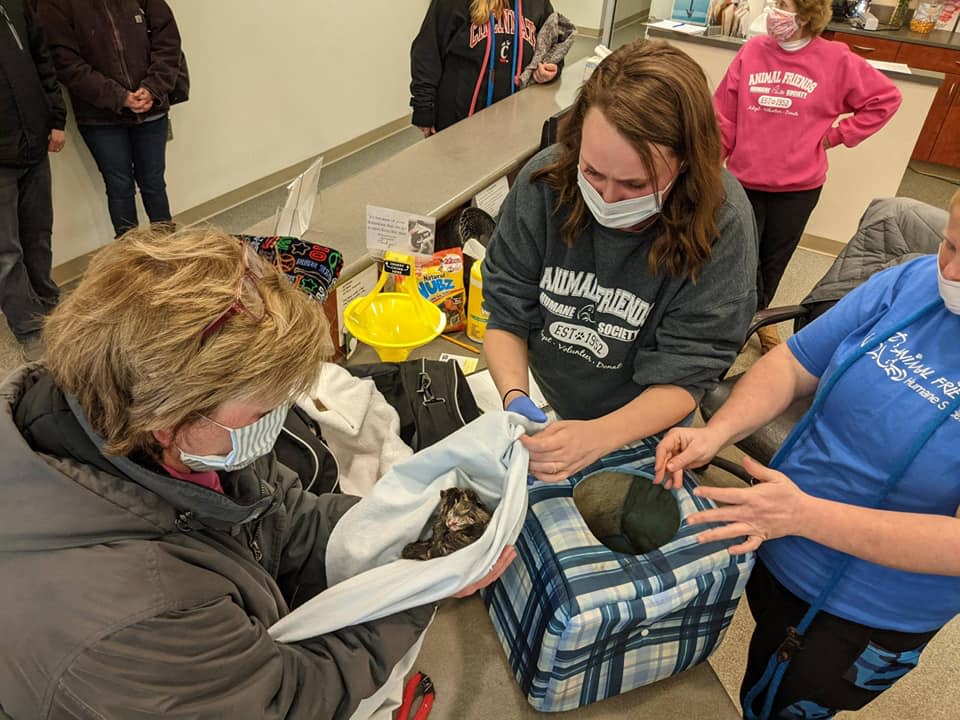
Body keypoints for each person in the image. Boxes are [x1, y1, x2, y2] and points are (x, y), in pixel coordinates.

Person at [0, 227, 512, 719]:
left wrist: (408, 528)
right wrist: (420, 587)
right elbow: (291, 699)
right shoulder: (137, 614)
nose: (280, 419)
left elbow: (278, 520)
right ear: (168, 422)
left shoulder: (175, 436)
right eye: (264, 409)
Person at [654, 190, 960, 718]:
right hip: (776, 536)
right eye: (950, 244)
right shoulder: (912, 279)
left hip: (863, 610)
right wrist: (716, 432)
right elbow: (796, 363)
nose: (950, 272)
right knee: (761, 660)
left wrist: (805, 516)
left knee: (781, 701)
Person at [481, 40, 758, 484]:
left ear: (685, 162)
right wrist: (515, 396)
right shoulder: (544, 183)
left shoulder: (721, 222)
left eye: (634, 183)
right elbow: (506, 312)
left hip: (647, 420)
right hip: (552, 391)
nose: (606, 199)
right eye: (592, 172)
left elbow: (689, 370)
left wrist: (600, 436)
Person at [713, 0, 901, 353]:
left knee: (772, 264)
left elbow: (885, 99)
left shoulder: (837, 60)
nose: (775, 11)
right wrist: (712, 165)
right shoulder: (753, 51)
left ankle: (755, 322)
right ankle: (735, 322)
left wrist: (836, 136)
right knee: (738, 259)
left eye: (784, 4)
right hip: (743, 181)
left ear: (806, 14)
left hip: (797, 188)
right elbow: (725, 113)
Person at [36, 0, 183, 237]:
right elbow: (65, 63)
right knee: (119, 188)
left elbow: (168, 42)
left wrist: (153, 87)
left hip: (151, 110)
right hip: (100, 118)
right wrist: (119, 97)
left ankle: (169, 249)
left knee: (154, 183)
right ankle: (128, 261)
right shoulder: (56, 5)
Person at [0, 0, 65, 359]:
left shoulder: (16, 5)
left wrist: (56, 119)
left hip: (34, 144)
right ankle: (28, 329)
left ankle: (50, 307)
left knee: (39, 234)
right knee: (6, 253)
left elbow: (44, 62)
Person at [410, 0, 561, 136]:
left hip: (511, 126)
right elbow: (427, 52)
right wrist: (424, 107)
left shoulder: (538, 4)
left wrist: (550, 68)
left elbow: (553, 44)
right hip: (456, 124)